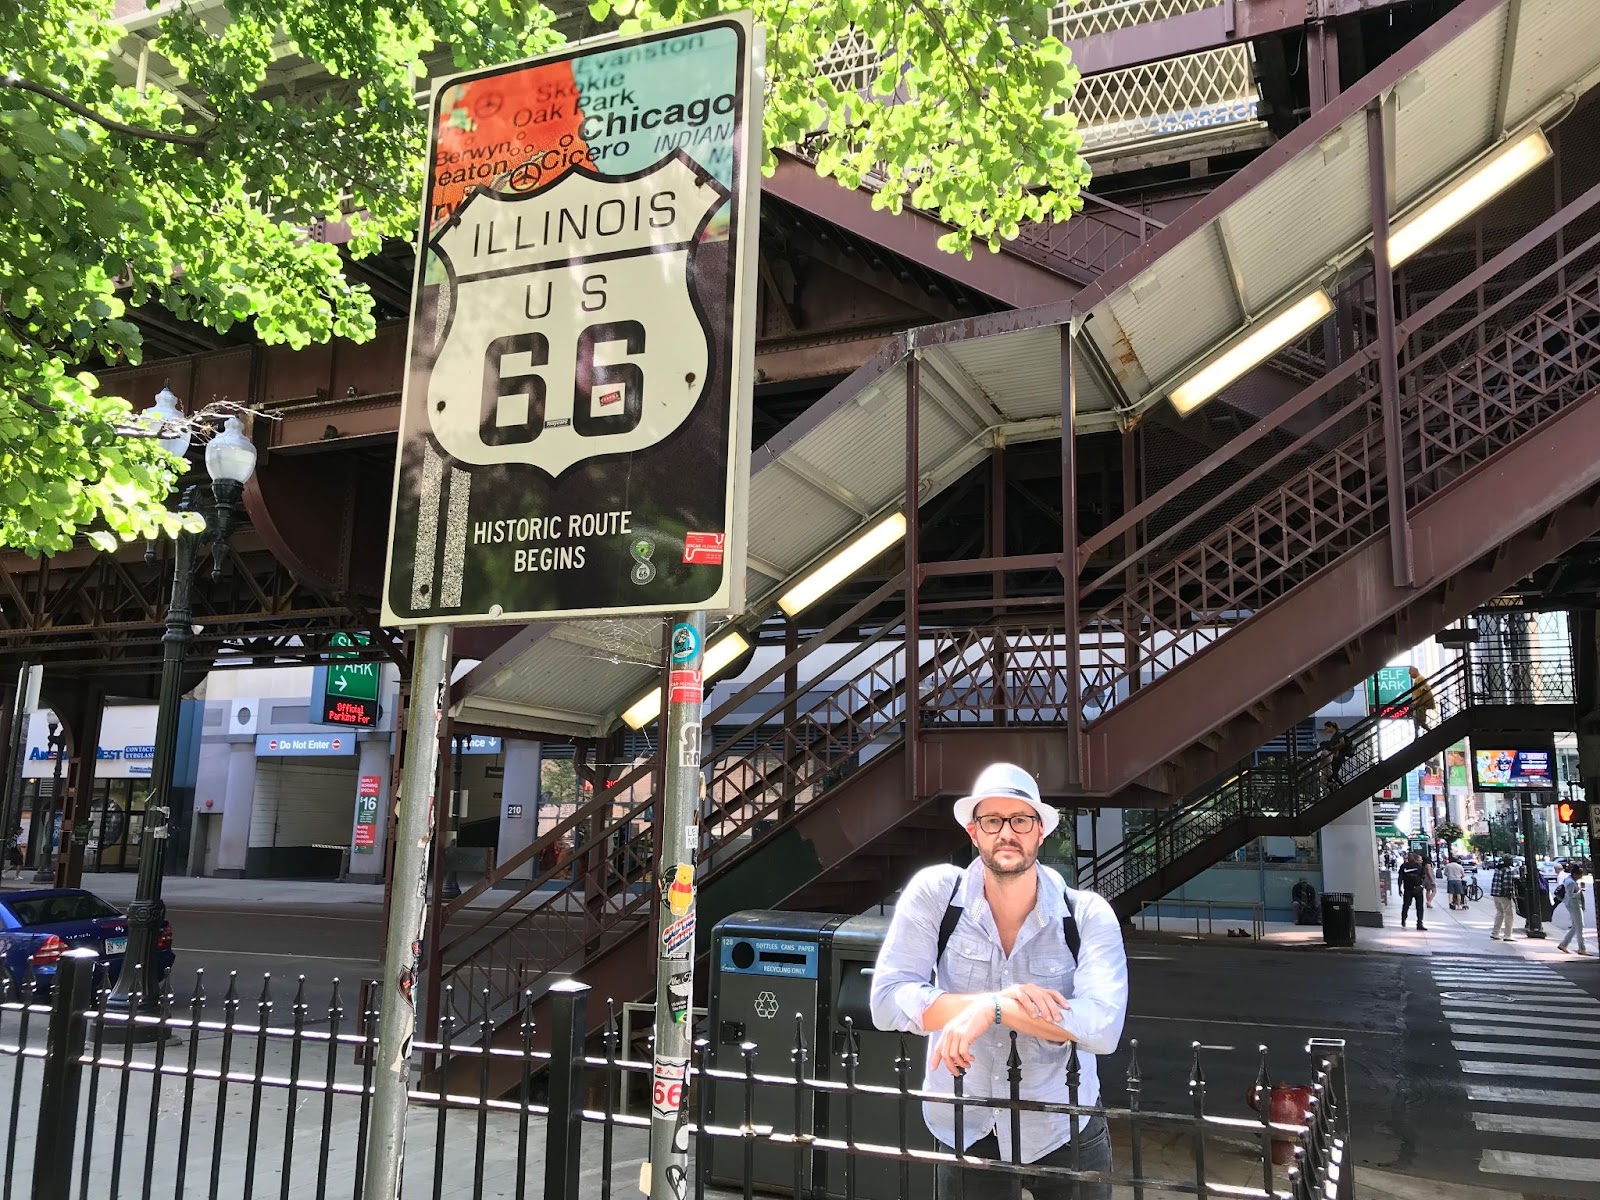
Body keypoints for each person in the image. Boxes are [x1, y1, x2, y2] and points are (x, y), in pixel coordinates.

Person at [871, 763, 1128, 1200]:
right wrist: (995, 998)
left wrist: (993, 1011)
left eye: (1021, 820)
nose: (1006, 832)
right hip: (965, 1124)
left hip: (1062, 1124)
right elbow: (887, 1000)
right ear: (974, 833)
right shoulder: (937, 896)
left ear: (1040, 832)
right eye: (993, 820)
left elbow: (1103, 1027)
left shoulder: (1086, 913)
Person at [1554, 861, 1589, 956]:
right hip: (1574, 905)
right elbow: (1570, 895)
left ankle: (1564, 944)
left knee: (1575, 926)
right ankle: (1582, 948)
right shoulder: (1571, 882)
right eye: (1579, 875)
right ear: (1575, 873)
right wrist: (1580, 891)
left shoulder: (1569, 879)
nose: (1580, 877)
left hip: (1572, 904)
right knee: (1580, 926)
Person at [1396, 851, 1432, 930]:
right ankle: (1403, 918)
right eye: (1409, 856)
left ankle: (1419, 922)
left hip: (1418, 889)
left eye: (1411, 856)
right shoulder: (1403, 866)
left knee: (1419, 907)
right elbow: (1400, 877)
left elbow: (1425, 877)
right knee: (1406, 905)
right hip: (1408, 889)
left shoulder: (1419, 867)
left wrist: (1422, 886)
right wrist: (1399, 888)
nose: (1410, 858)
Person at [1489, 853, 1519, 941]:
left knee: (1499, 912)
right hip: (1503, 895)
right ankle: (1507, 934)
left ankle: (1495, 933)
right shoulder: (1507, 870)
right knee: (1509, 914)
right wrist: (1509, 894)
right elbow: (1507, 884)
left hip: (1495, 893)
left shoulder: (1498, 868)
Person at [1407, 667, 1437, 734]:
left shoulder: (1419, 678)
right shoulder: (1419, 678)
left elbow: (1424, 691)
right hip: (1419, 703)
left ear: (1414, 671)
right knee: (1418, 720)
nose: (1410, 675)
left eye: (1410, 673)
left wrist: (1418, 702)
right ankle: (1421, 734)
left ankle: (1426, 734)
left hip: (1420, 704)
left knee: (1418, 720)